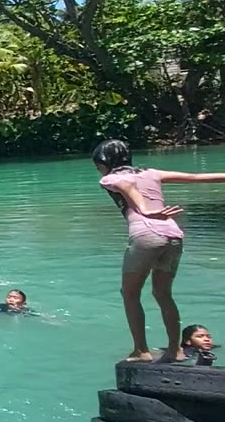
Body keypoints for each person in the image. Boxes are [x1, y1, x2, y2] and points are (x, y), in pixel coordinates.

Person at [93, 139, 225, 362]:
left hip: (145, 236)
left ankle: (141, 351)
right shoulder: (151, 173)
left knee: (130, 294)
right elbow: (195, 178)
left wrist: (144, 209)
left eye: (98, 164)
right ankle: (176, 350)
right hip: (173, 237)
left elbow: (127, 187)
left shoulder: (110, 178)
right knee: (163, 294)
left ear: (106, 162)